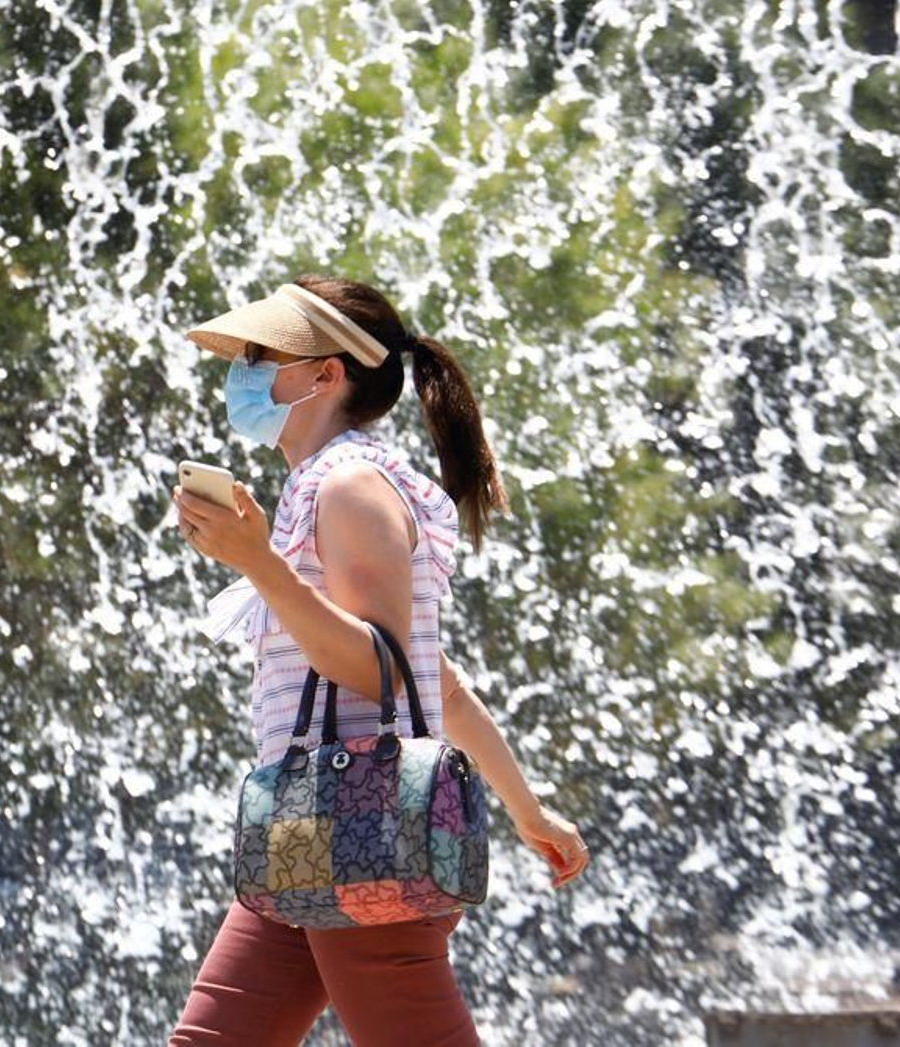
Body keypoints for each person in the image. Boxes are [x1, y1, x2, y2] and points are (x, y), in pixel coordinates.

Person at [167, 275, 590, 1047]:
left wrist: (258, 563)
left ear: (326, 373)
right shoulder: (318, 485)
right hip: (307, 826)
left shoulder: (352, 485)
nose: (245, 372)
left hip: (365, 828)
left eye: (264, 355)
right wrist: (531, 812)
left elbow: (382, 666)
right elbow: (441, 686)